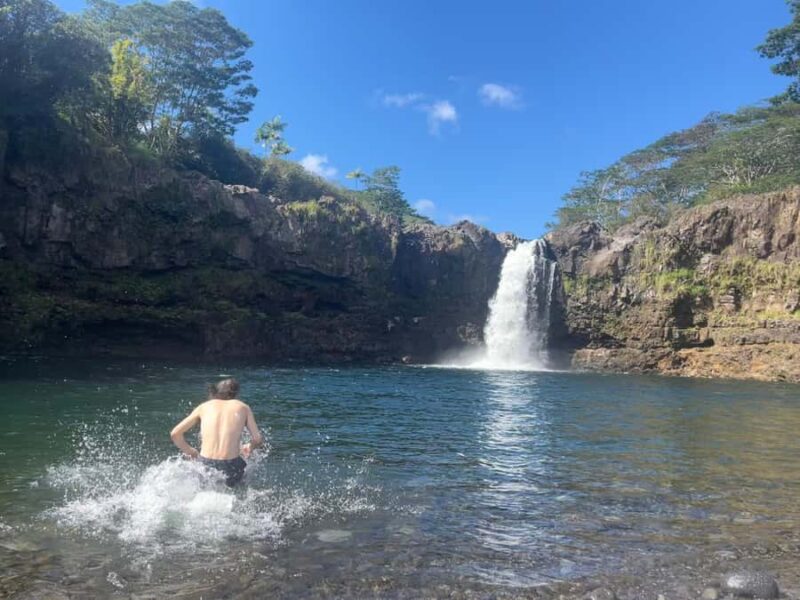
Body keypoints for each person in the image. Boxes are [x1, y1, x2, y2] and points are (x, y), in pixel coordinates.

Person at [170, 378, 264, 486]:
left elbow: (175, 433)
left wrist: (191, 451)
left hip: (205, 464)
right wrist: (250, 446)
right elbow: (257, 439)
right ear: (235, 394)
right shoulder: (243, 407)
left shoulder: (203, 407)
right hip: (231, 464)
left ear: (216, 392)